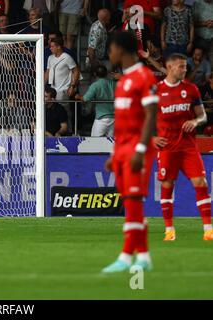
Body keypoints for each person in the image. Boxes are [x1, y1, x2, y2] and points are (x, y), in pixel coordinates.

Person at [102, 31, 159, 273]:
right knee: (130, 202)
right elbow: (123, 123)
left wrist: (141, 148)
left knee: (134, 201)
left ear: (120, 49)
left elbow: (151, 116)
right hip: (123, 149)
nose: (109, 54)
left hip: (138, 148)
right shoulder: (123, 81)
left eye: (111, 49)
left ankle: (126, 256)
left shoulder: (144, 77)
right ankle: (144, 256)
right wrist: (115, 154)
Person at [153, 53, 213, 241]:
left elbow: (202, 116)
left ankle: (208, 230)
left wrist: (195, 122)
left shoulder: (191, 89)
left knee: (200, 183)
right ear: (169, 67)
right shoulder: (156, 91)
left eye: (185, 66)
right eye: (181, 67)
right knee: (167, 185)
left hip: (188, 146)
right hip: (167, 147)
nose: (185, 69)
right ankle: (169, 230)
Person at [75, 65, 115, 137]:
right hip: (114, 118)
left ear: (95, 74)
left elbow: (85, 99)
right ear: (106, 73)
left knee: (94, 140)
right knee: (112, 143)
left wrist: (78, 96)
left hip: (101, 118)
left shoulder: (95, 85)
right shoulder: (113, 83)